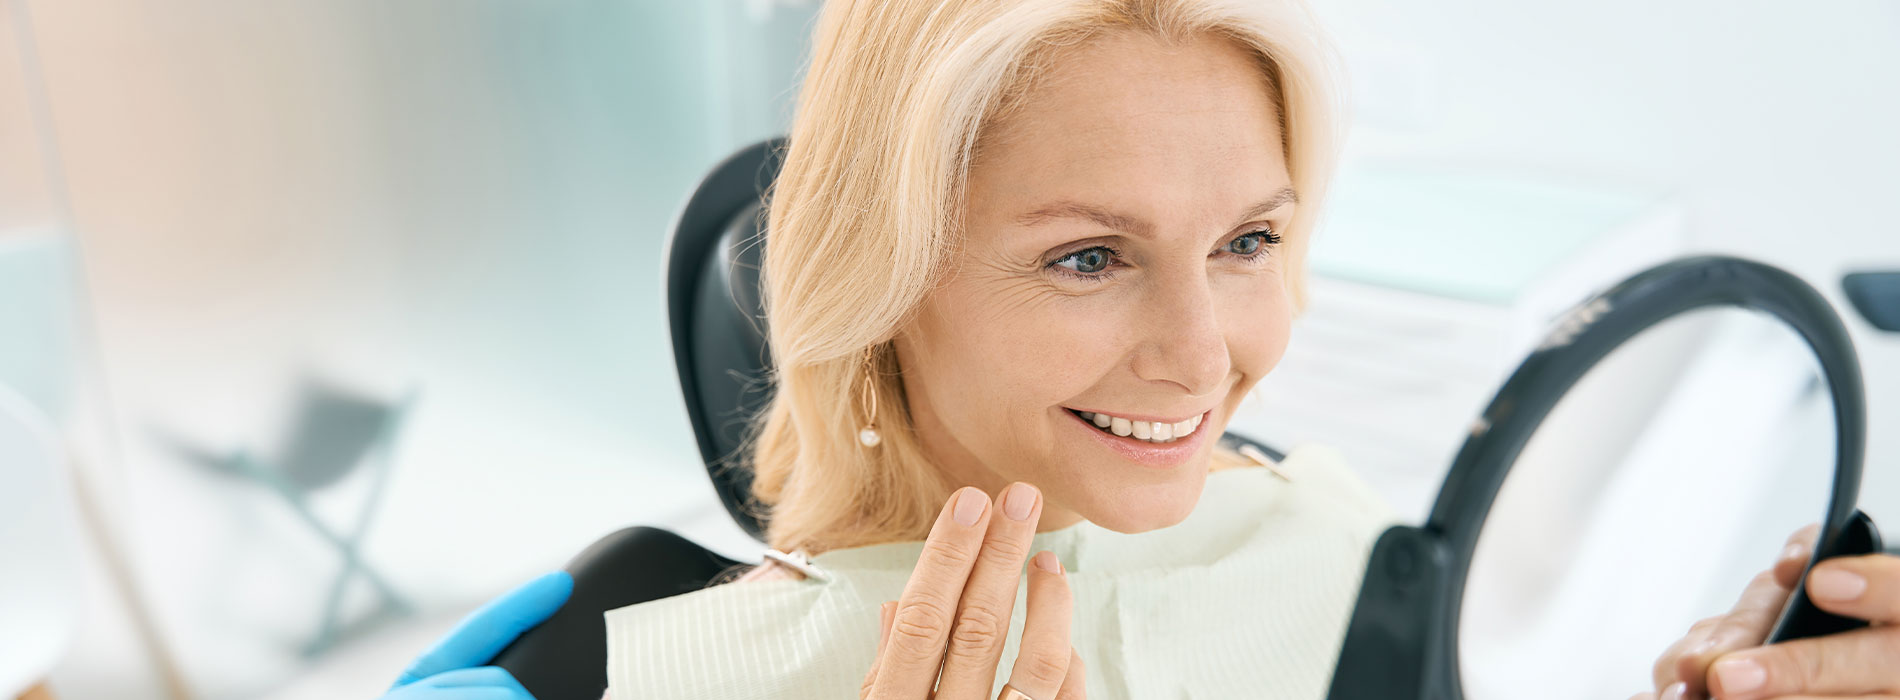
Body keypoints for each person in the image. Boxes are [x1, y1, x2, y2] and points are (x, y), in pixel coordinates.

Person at [385, 1, 1900, 699]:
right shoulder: (610, 668)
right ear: (881, 276)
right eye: (1089, 257)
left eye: (1249, 242)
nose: (1204, 357)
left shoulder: (1346, 545)